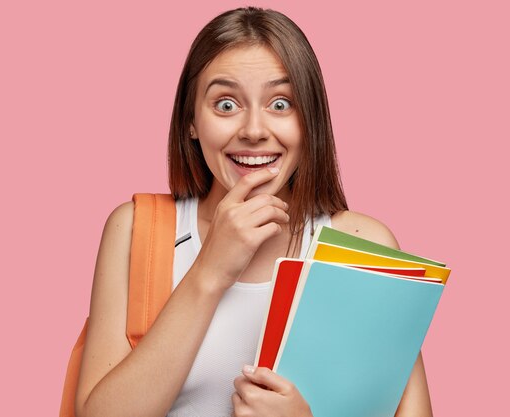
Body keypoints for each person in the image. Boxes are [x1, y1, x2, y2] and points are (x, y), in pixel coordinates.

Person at [74, 6, 433, 417]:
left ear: (309, 121)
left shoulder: (361, 246)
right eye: (226, 105)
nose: (254, 130)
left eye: (281, 104)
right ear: (191, 121)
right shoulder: (138, 230)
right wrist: (210, 271)